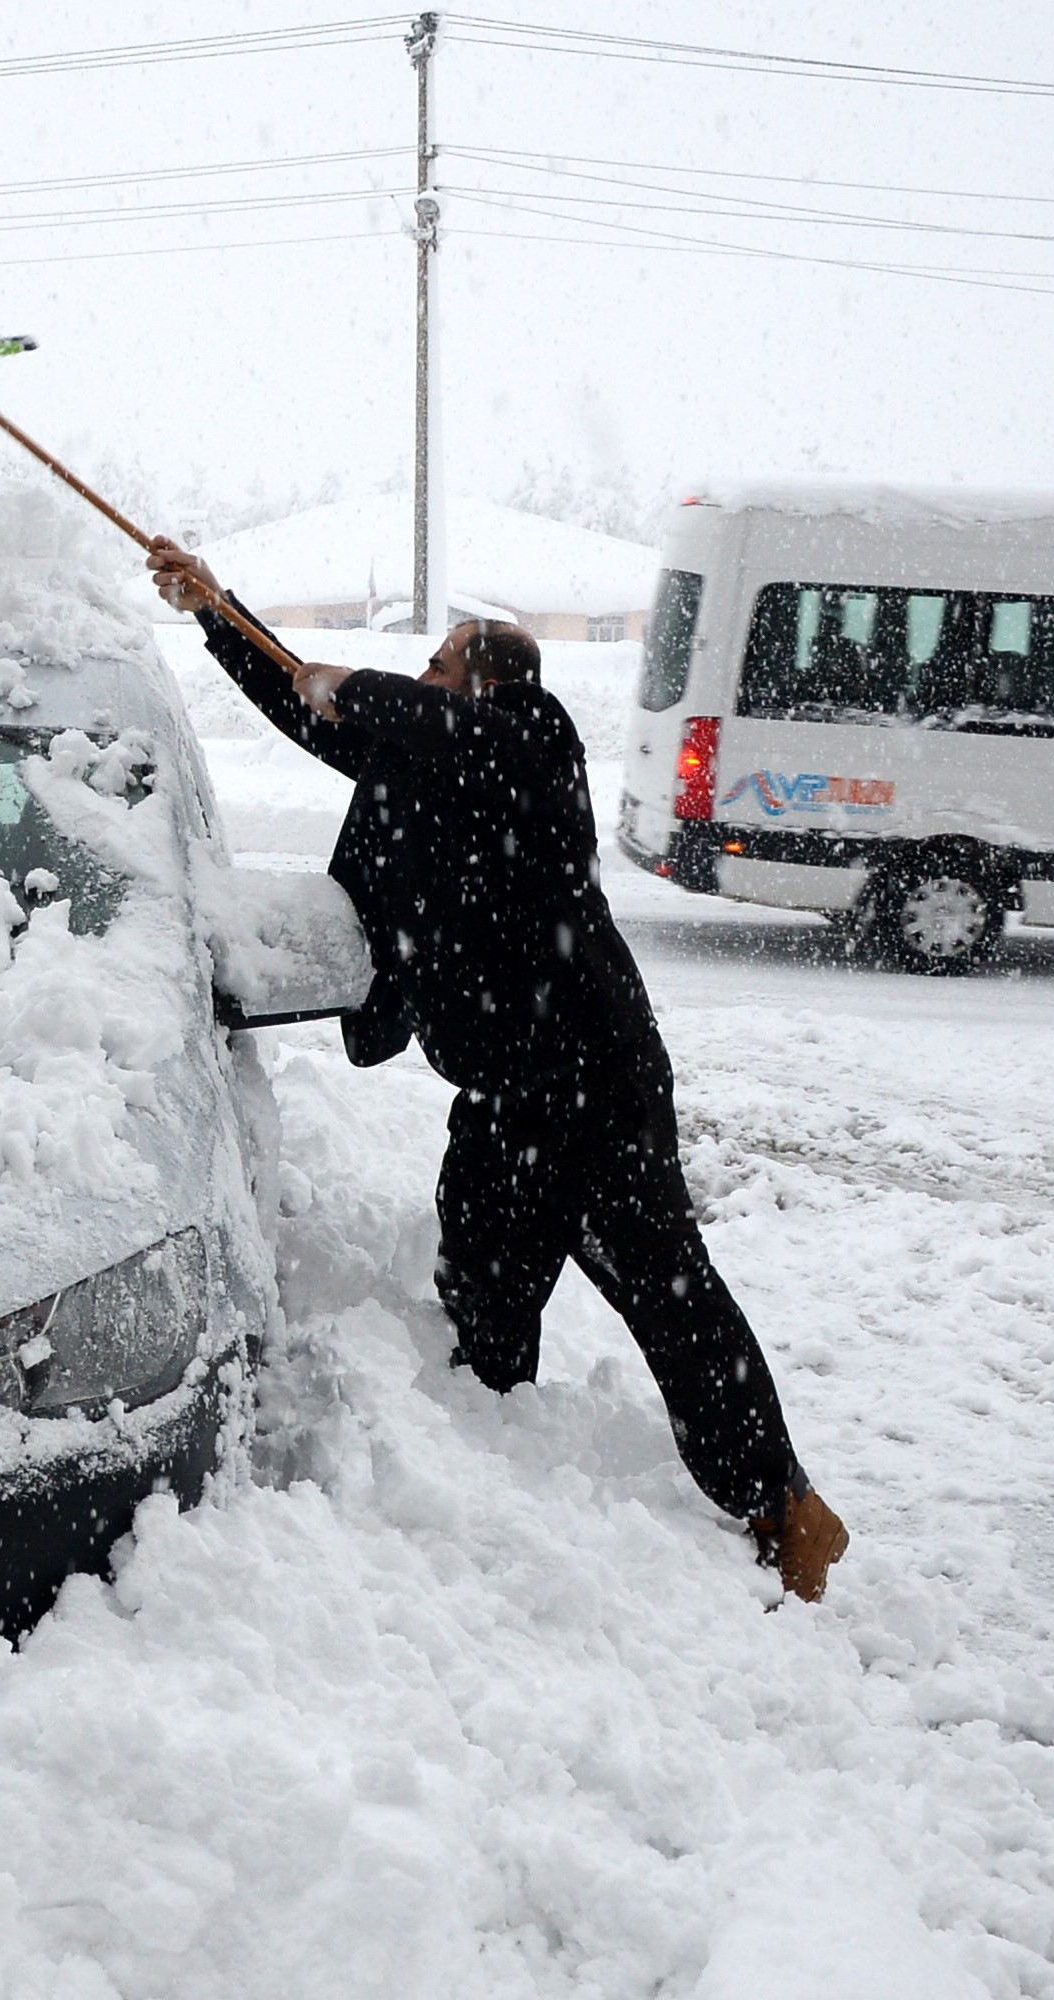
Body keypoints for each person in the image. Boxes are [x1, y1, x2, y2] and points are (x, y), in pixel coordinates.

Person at [147, 537, 849, 1602]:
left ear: (481, 681)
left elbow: (431, 718)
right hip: (509, 1091)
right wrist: (214, 609)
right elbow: (309, 708)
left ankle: (784, 1503)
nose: (421, 680)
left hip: (594, 1078)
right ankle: (500, 1462)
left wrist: (366, 686)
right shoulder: (422, 754)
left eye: (436, 664)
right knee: (479, 1276)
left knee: (666, 1291)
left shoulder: (530, 735)